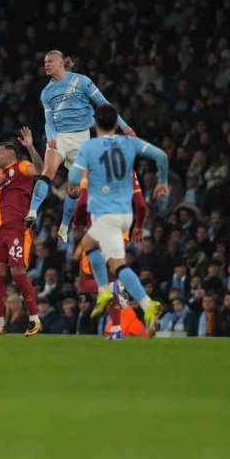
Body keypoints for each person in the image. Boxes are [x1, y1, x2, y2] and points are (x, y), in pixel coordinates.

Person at [67, 104, 169, 332]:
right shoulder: (129, 143)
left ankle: (125, 297)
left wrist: (78, 178)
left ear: (95, 123)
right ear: (116, 124)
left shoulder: (90, 147)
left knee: (107, 260)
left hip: (105, 216)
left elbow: (73, 178)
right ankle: (129, 300)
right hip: (125, 216)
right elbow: (161, 156)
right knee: (99, 252)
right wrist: (162, 182)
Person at [25, 50, 135, 250]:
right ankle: (32, 212)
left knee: (74, 189)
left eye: (50, 61)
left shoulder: (82, 81)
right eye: (44, 62)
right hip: (59, 138)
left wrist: (124, 126)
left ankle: (64, 226)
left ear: (61, 62)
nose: (46, 65)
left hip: (81, 139)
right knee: (48, 171)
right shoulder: (46, 92)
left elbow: (105, 105)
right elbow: (49, 121)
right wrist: (51, 138)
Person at [0, 128, 45, 337]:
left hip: (17, 227)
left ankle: (34, 320)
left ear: (10, 154)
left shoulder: (21, 166)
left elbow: (40, 169)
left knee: (18, 273)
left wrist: (30, 146)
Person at [72, 168, 146, 339]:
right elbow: (141, 205)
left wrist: (76, 223)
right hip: (121, 234)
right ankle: (117, 329)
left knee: (84, 283)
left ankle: (112, 291)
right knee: (113, 280)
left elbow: (82, 202)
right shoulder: (129, 170)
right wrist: (139, 226)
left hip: (98, 232)